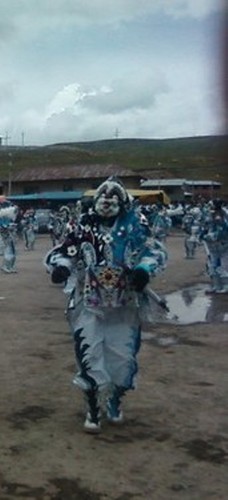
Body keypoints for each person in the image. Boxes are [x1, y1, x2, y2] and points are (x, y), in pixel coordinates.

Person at [44, 177, 168, 433]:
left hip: (125, 305)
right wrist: (61, 268)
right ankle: (92, 408)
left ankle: (114, 399)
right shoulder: (83, 227)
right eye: (103, 198)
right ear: (95, 202)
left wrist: (143, 269)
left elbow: (152, 251)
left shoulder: (135, 225)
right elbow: (66, 252)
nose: (107, 202)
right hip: (89, 303)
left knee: (123, 361)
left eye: (113, 199)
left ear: (122, 203)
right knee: (89, 354)